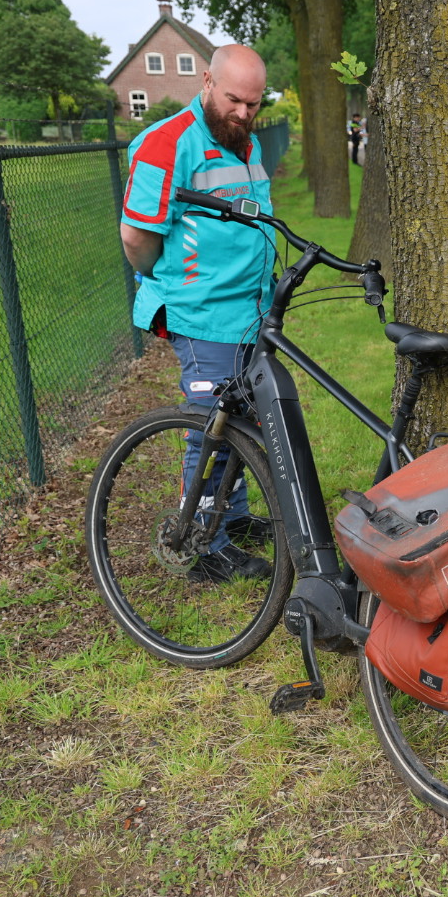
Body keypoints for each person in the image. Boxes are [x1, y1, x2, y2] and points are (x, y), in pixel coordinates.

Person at [120, 44, 276, 583]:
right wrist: (175, 284)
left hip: (250, 312)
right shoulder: (166, 145)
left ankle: (231, 517)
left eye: (253, 104)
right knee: (212, 428)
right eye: (234, 99)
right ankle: (202, 546)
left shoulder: (243, 141)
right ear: (206, 80)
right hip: (202, 315)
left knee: (245, 417)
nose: (243, 113)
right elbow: (137, 238)